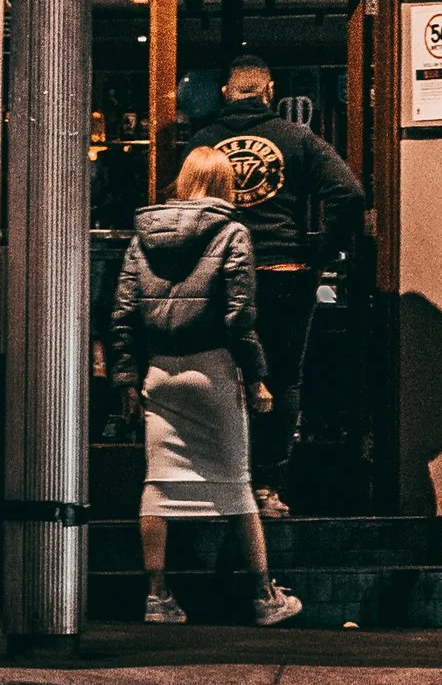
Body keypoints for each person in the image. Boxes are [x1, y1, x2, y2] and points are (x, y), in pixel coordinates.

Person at [109, 146, 303, 626]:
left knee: (157, 484)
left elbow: (123, 314)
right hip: (212, 369)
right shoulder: (233, 231)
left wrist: (126, 380)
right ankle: (264, 595)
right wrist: (257, 377)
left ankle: (157, 597)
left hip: (160, 371)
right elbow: (240, 315)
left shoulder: (143, 236)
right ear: (224, 183)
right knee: (237, 484)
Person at [177, 55, 366, 518]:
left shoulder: (203, 141)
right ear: (269, 90)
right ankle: (266, 485)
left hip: (217, 274)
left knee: (220, 376)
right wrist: (320, 249)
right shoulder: (297, 138)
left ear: (226, 92)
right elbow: (350, 193)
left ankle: (221, 481)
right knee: (283, 379)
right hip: (284, 271)